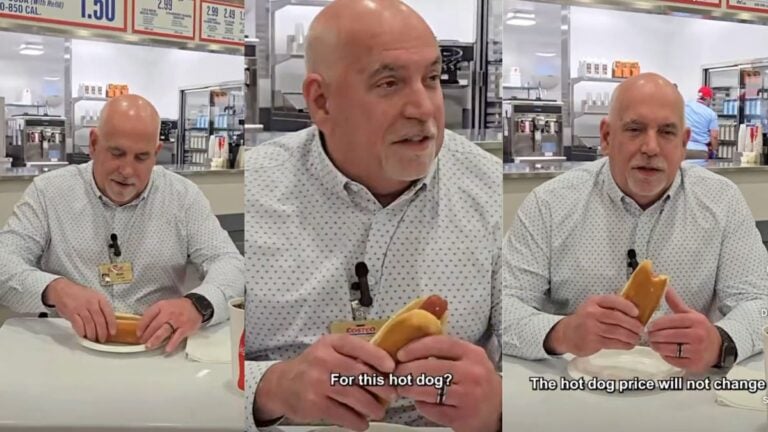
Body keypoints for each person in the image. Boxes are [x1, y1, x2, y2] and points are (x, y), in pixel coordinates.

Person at [244, 1, 501, 431]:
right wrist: (271, 386)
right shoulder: (256, 192)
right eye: (389, 83)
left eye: (432, 79)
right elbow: (199, 357)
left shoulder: (489, 191)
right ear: (322, 101)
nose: (424, 109)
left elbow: (534, 358)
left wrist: (498, 407)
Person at [503, 73, 767, 373]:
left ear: (683, 144)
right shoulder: (550, 204)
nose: (651, 147)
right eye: (634, 129)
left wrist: (721, 342)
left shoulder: (722, 201)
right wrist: (562, 332)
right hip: (574, 390)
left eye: (667, 132)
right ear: (606, 137)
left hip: (685, 395)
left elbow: (759, 302)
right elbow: (505, 305)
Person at [0, 94, 244, 352]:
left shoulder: (183, 197)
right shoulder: (49, 192)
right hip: (69, 346)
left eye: (141, 158)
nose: (127, 171)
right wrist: (54, 289)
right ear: (93, 144)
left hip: (158, 348)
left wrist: (198, 305)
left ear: (156, 154)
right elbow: (4, 261)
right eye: (117, 153)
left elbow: (229, 262)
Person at [684, 85, 719, 159]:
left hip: (684, 148)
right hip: (701, 151)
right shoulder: (711, 114)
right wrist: (714, 151)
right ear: (708, 98)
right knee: (699, 170)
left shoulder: (686, 106)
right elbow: (714, 136)